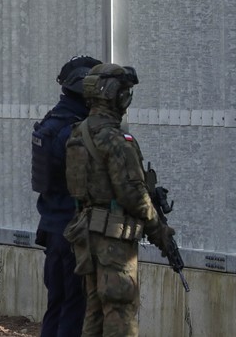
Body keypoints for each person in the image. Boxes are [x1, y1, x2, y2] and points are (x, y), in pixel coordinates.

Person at [65, 63, 176, 336]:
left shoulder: (79, 132)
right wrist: (161, 234)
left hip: (87, 236)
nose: (127, 98)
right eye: (124, 91)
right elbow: (134, 197)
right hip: (113, 243)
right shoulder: (116, 140)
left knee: (94, 311)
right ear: (112, 94)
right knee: (119, 312)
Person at [32, 55, 100, 337]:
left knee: (56, 306)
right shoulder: (74, 131)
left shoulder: (50, 124)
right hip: (72, 234)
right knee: (74, 310)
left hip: (52, 229)